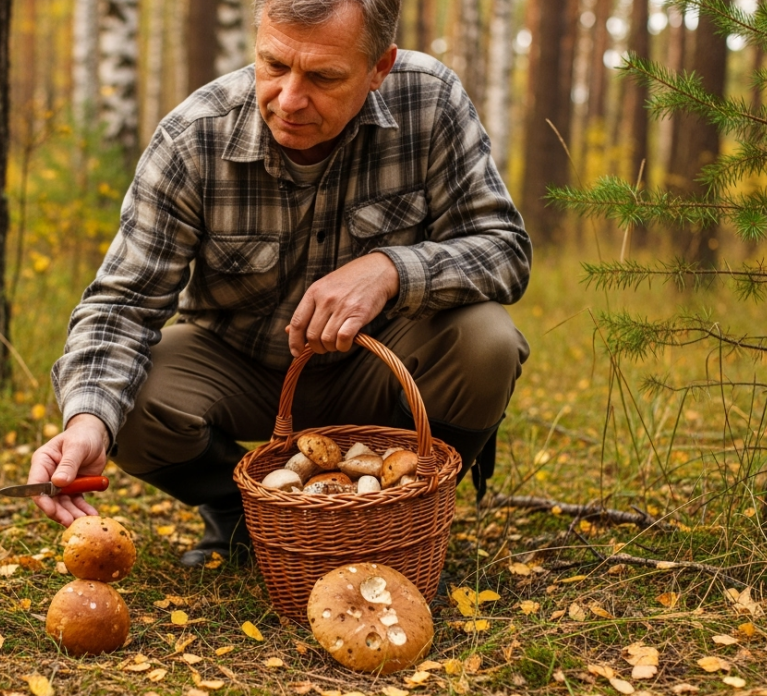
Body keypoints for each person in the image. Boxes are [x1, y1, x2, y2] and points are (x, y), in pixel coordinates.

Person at [28, 0, 531, 566]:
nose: (290, 99)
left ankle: (407, 519)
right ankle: (243, 515)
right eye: (273, 65)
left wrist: (390, 269)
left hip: (382, 365)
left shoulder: (430, 101)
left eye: (323, 76)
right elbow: (122, 304)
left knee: (486, 340)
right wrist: (88, 420)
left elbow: (505, 249)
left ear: (379, 68)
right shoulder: (193, 138)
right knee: (128, 398)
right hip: (242, 367)